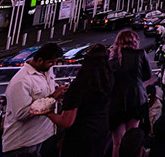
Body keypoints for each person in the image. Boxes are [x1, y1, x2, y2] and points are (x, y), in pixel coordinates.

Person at [45, 44, 113, 157]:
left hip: (80, 138)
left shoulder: (79, 85)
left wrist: (47, 112)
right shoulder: (108, 80)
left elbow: (66, 121)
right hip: (101, 132)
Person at [2, 42, 65, 156]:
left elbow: (47, 89)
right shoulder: (21, 81)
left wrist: (59, 91)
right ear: (39, 60)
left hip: (44, 136)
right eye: (50, 62)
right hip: (24, 143)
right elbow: (21, 114)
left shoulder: (46, 70)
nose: (53, 65)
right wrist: (53, 97)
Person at [109, 29, 152, 157]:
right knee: (132, 139)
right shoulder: (140, 54)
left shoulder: (113, 58)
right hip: (136, 100)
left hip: (117, 102)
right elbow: (147, 75)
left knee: (117, 143)